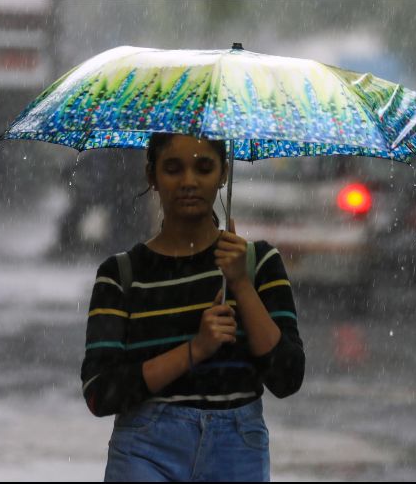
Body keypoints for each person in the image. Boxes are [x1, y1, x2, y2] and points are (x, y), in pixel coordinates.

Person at [80, 133, 305, 481]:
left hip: (237, 450)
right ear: (151, 175)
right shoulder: (121, 275)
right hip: (144, 451)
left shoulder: (259, 263)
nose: (189, 181)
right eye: (173, 168)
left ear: (224, 173)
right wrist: (195, 349)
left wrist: (242, 284)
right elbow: (100, 393)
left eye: (204, 167)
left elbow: (287, 377)